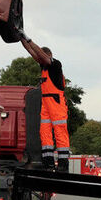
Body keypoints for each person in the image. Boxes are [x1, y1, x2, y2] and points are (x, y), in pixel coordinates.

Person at [20, 36, 70, 171]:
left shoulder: (55, 64)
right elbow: (33, 53)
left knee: (60, 132)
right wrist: (21, 38)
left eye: (42, 57)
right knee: (45, 132)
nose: (40, 60)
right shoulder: (43, 65)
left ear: (48, 55)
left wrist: (29, 40)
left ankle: (63, 164)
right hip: (46, 102)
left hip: (56, 102)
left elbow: (41, 55)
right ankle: (48, 162)